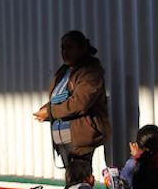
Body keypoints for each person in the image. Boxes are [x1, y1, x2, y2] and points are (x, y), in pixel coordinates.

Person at [33, 31, 111, 168]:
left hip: (80, 140)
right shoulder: (64, 71)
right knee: (72, 181)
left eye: (70, 47)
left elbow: (80, 102)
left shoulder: (90, 71)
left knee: (79, 183)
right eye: (63, 48)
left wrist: (50, 112)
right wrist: (45, 109)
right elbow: (59, 98)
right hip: (62, 139)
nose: (65, 52)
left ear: (82, 49)